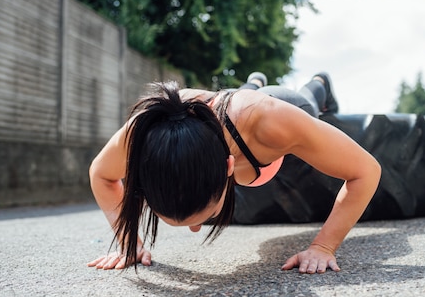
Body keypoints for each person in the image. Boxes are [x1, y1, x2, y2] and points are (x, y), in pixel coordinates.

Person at [87, 72, 381, 274]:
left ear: (229, 166)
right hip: (227, 114)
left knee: (307, 100)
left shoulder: (272, 121)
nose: (195, 229)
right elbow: (101, 173)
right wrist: (129, 243)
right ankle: (251, 81)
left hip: (270, 110)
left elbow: (366, 171)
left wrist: (323, 247)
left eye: (203, 217)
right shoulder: (145, 134)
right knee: (237, 98)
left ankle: (319, 81)